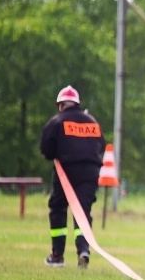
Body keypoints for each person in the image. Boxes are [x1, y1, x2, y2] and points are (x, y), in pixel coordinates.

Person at [40, 86, 106, 268]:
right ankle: (83, 250)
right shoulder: (92, 122)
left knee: (58, 208)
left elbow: (46, 149)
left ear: (60, 105)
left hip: (66, 173)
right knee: (82, 212)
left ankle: (57, 255)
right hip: (90, 173)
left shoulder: (57, 121)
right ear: (77, 104)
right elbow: (102, 145)